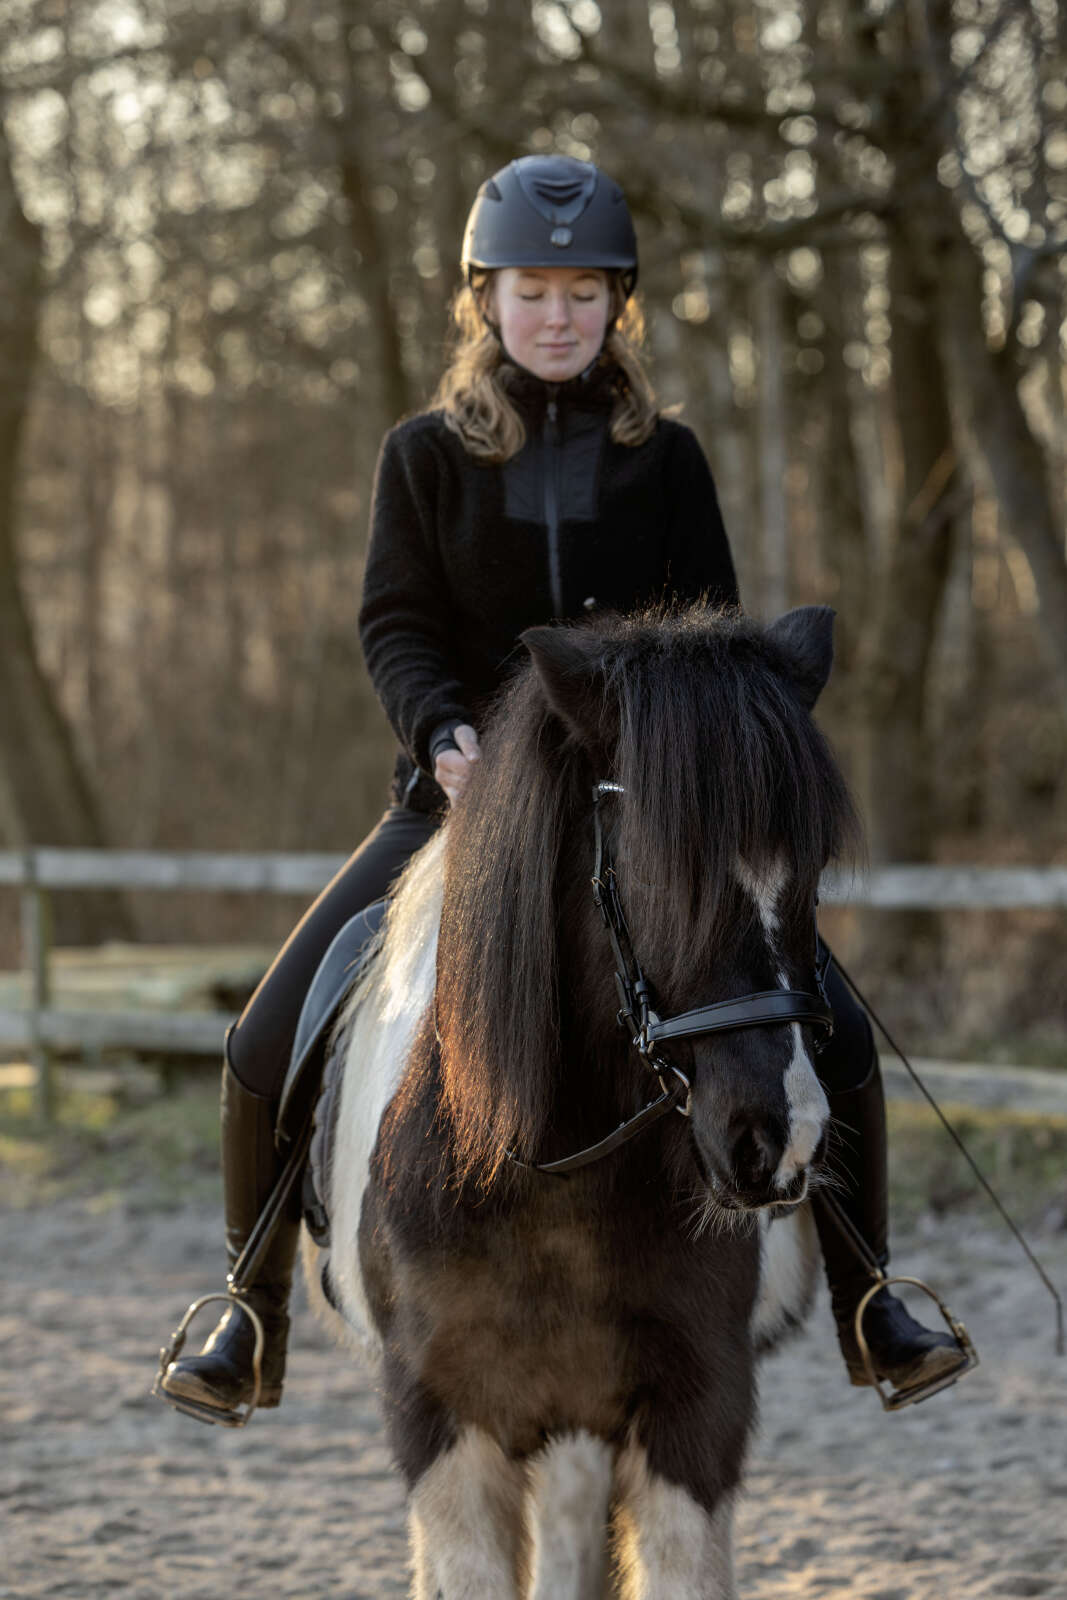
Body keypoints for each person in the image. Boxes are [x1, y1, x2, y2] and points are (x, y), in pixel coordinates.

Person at [158, 154, 969, 1425]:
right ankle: (247, 1305)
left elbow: (714, 635)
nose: (555, 318)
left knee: (834, 1026)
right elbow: (394, 622)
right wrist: (439, 732)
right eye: (532, 292)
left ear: (615, 310)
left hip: (641, 818)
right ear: (484, 301)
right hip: (457, 809)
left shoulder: (669, 461)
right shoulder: (422, 457)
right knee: (268, 1034)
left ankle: (871, 1296)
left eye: (582, 296)